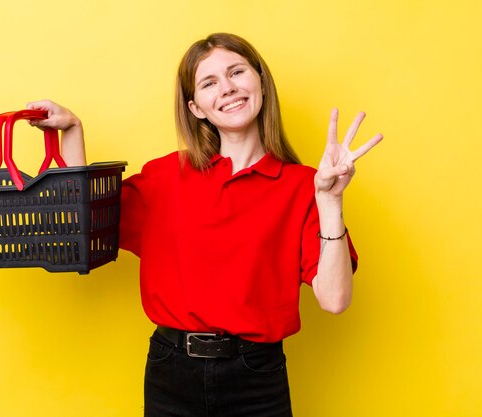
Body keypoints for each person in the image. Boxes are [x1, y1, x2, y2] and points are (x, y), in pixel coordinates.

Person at [27, 32, 382, 417]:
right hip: (170, 373)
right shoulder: (167, 176)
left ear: (260, 80)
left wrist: (330, 200)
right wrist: (73, 130)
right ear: (196, 108)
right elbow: (85, 221)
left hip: (257, 379)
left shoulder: (303, 186)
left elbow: (334, 300)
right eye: (210, 83)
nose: (227, 89)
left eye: (237, 72)